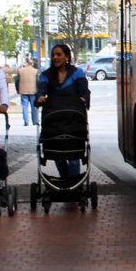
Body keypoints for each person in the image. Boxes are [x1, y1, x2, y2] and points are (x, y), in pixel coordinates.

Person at [37, 43, 90, 179]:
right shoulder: (46, 75)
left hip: (73, 121)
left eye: (59, 54)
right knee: (57, 155)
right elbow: (41, 91)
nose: (55, 57)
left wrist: (84, 98)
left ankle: (72, 183)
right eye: (53, 55)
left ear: (66, 57)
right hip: (54, 122)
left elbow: (84, 90)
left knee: (73, 156)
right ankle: (67, 181)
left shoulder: (77, 73)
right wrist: (40, 98)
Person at [15, 56, 40, 127]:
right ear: (32, 64)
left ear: (26, 63)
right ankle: (35, 121)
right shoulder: (35, 71)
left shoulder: (20, 70)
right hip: (33, 91)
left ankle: (26, 121)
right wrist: (38, 90)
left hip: (23, 91)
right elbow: (38, 81)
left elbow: (17, 81)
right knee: (34, 107)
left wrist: (17, 89)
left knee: (24, 107)